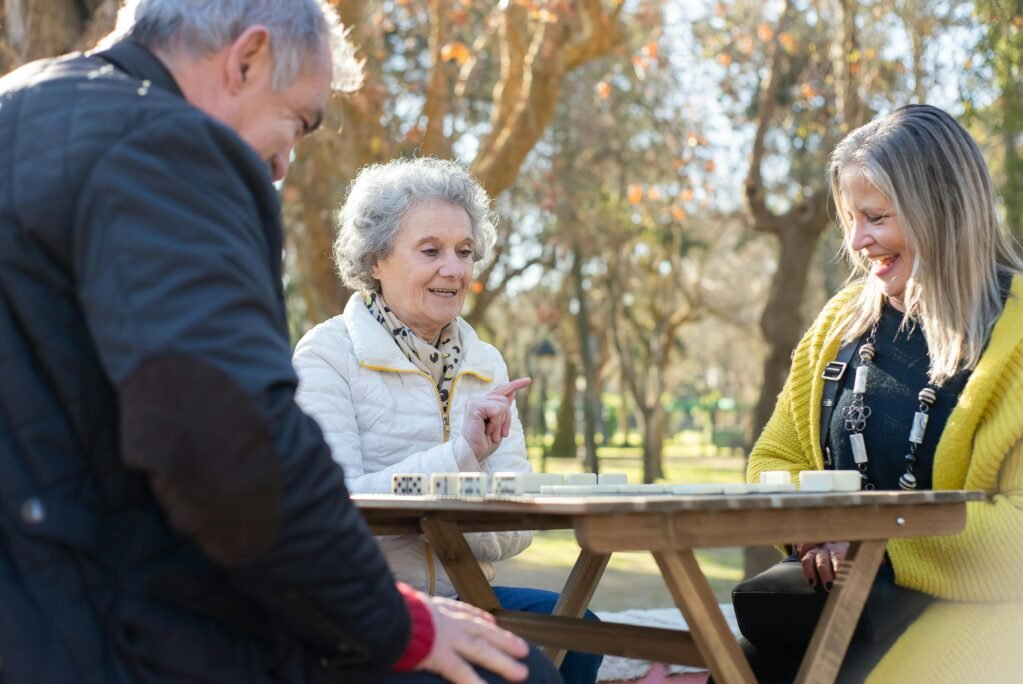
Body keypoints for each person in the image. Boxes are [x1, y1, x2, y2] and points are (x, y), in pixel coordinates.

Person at [0, 1, 561, 682]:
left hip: (44, 598)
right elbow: (230, 444)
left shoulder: (20, 104)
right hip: (101, 623)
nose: (283, 165)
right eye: (297, 121)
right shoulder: (170, 146)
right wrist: (396, 622)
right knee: (515, 665)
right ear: (247, 59)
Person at [292, 157, 603, 684]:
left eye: (464, 252)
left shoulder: (486, 363)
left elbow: (515, 532)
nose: (454, 269)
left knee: (576, 633)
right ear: (375, 260)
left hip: (465, 593)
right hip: (364, 609)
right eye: (430, 250)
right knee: (530, 670)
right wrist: (461, 458)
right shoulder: (326, 355)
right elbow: (331, 511)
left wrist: (463, 516)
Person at [745, 104, 1023, 681]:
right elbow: (772, 459)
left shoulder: (1015, 338)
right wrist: (812, 525)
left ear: (940, 211)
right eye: (849, 217)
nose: (856, 240)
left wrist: (879, 547)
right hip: (841, 606)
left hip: (987, 614)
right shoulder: (837, 324)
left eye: (874, 217)